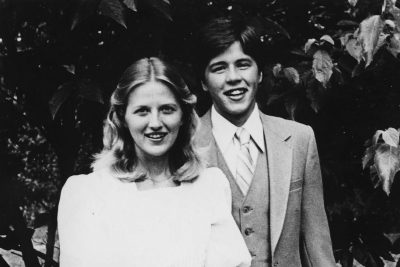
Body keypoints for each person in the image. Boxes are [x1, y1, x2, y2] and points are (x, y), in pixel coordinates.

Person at [57, 57, 251, 267]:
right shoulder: (89, 192)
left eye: (167, 109)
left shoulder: (208, 186)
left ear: (183, 115)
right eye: (142, 111)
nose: (156, 123)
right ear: (123, 117)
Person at [193, 15, 336, 267]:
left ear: (259, 73)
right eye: (219, 68)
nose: (233, 77)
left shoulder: (299, 139)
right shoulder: (185, 146)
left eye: (243, 64)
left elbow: (317, 245)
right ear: (204, 82)